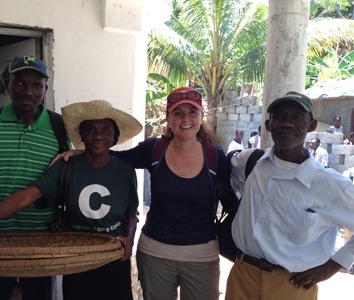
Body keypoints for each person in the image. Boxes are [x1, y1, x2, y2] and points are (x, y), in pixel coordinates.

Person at [54, 86, 238, 300]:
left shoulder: (215, 157)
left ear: (200, 116)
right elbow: (116, 157)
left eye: (192, 112)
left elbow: (230, 201)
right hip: (155, 254)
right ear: (169, 118)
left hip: (202, 257)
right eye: (178, 113)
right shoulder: (154, 150)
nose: (185, 119)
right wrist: (79, 153)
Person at [0, 100, 142, 300]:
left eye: (106, 130)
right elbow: (25, 197)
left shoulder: (125, 170)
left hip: (113, 258)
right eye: (91, 130)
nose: (98, 136)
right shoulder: (66, 166)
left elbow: (131, 211)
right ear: (82, 135)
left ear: (114, 136)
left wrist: (129, 239)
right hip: (76, 260)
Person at [0, 55, 71, 300]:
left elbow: (69, 180)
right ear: (6, 84)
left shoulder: (60, 128)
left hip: (41, 244)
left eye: (36, 85)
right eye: (19, 83)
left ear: (45, 89)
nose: (27, 91)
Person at [226, 91, 354, 300]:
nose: (287, 123)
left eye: (296, 117)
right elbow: (220, 165)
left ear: (311, 126)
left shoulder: (330, 185)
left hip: (293, 286)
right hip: (243, 278)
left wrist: (329, 268)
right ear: (269, 125)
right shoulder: (250, 162)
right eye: (279, 116)